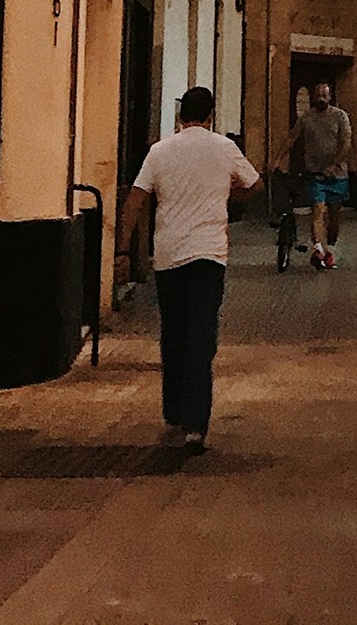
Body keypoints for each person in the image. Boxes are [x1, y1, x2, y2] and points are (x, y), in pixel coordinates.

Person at [119, 86, 258, 454]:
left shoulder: (159, 151)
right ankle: (196, 424)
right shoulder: (224, 148)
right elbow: (255, 184)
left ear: (180, 115)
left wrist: (122, 249)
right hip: (209, 256)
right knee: (201, 337)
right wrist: (229, 195)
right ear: (211, 115)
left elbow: (135, 199)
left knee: (173, 333)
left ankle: (174, 410)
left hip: (169, 256)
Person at [280, 79, 354, 270]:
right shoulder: (306, 118)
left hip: (337, 175)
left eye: (325, 95)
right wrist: (278, 158)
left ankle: (331, 247)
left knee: (334, 218)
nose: (321, 98)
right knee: (318, 210)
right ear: (314, 97)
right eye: (319, 95)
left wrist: (334, 164)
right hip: (314, 173)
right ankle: (319, 249)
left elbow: (346, 142)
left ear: (330, 96)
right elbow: (292, 137)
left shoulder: (340, 116)